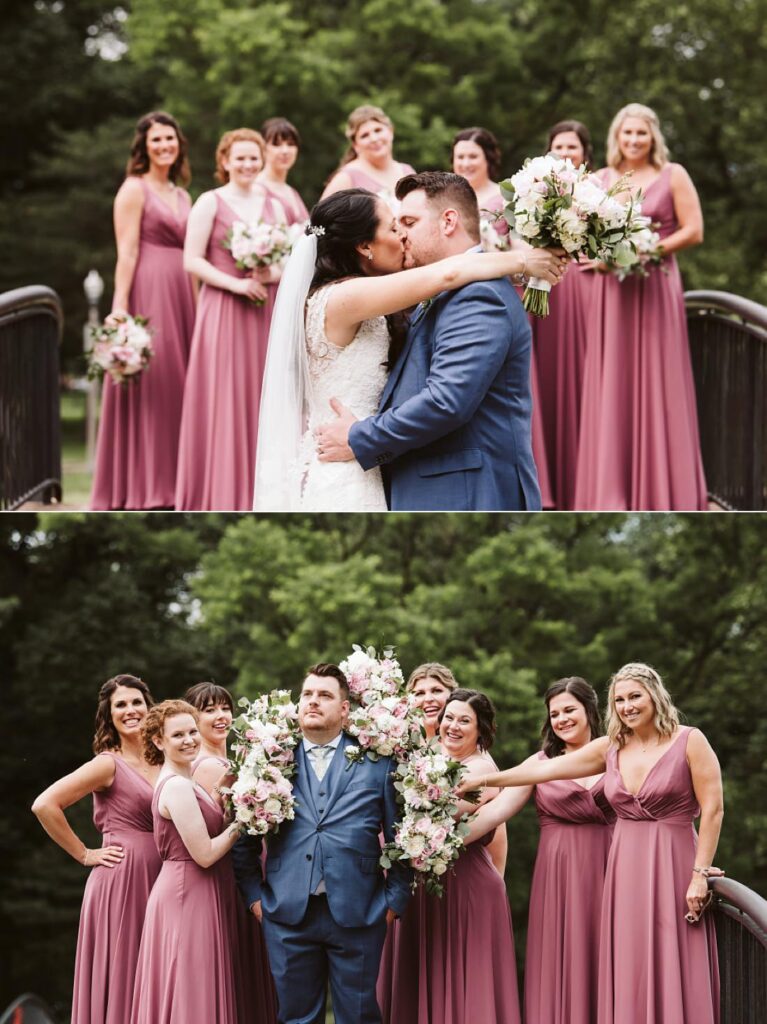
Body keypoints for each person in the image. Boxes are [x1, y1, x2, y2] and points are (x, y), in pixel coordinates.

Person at [253, 184, 564, 510]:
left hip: (372, 461)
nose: (401, 235)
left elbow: (447, 398)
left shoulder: (464, 295)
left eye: (408, 223)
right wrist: (522, 261)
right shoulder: (345, 297)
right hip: (347, 467)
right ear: (364, 246)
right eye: (393, 226)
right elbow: (449, 273)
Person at [459, 662, 723, 1024]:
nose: (628, 706)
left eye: (635, 697)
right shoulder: (612, 747)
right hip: (624, 867)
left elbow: (713, 809)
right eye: (620, 700)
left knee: (673, 948)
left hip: (673, 859)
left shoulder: (690, 740)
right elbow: (544, 770)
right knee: (629, 960)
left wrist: (699, 871)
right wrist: (486, 782)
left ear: (656, 696)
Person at [231, 663, 413, 1024]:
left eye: (325, 695)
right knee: (295, 1017)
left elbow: (400, 837)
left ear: (344, 709)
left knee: (360, 1016)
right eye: (308, 694)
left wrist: (394, 901)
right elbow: (245, 838)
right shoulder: (270, 759)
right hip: (285, 912)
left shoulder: (378, 762)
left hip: (360, 911)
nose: (313, 702)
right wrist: (254, 897)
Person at [574, 103, 708, 510]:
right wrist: (600, 254)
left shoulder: (673, 175)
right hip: (611, 294)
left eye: (641, 134)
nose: (634, 141)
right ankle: (611, 489)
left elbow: (694, 231)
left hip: (655, 287)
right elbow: (583, 233)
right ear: (616, 137)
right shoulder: (599, 179)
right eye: (627, 133)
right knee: (612, 378)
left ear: (653, 138)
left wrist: (640, 251)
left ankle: (665, 487)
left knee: (659, 376)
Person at [377, 669, 512, 1024]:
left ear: (480, 728)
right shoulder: (428, 756)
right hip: (422, 886)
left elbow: (437, 817)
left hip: (466, 890)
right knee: (417, 976)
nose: (452, 726)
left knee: (462, 984)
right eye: (448, 718)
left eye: (463, 720)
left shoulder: (482, 771)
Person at [32, 674, 160, 1024]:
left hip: (166, 875)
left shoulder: (165, 760)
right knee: (126, 972)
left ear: (150, 708)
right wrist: (84, 854)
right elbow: (45, 804)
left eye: (137, 702)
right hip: (123, 880)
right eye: (121, 705)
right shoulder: (107, 764)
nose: (131, 710)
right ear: (109, 715)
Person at [175, 128, 288, 510]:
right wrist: (235, 285)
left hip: (265, 309)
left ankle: (265, 488)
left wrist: (269, 275)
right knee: (226, 395)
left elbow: (287, 259)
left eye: (253, 157)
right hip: (224, 308)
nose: (247, 164)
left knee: (266, 394)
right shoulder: (209, 201)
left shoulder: (274, 204)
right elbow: (191, 260)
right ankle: (223, 489)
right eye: (239, 158)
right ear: (224, 161)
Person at [91, 112, 196, 510]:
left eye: (170, 138)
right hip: (149, 292)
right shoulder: (133, 189)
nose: (164, 145)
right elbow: (128, 251)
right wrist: (120, 308)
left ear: (178, 144)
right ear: (144, 147)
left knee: (181, 384)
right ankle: (146, 486)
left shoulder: (183, 194)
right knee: (156, 381)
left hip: (183, 292)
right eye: (156, 140)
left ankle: (175, 484)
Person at [452, 126, 555, 508]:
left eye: (472, 156)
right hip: (452, 299)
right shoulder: (449, 197)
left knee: (506, 392)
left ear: (487, 159)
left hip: (499, 297)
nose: (464, 163)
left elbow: (522, 250)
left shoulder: (505, 197)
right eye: (459, 156)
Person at [130, 700, 241, 1023]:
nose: (190, 739)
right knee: (190, 987)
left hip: (193, 890)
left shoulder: (185, 780)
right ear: (158, 741)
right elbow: (205, 854)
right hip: (186, 892)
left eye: (193, 731)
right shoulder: (177, 786)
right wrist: (245, 821)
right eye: (178, 735)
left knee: (194, 982)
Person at [184, 681, 278, 1024]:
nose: (221, 716)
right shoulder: (211, 767)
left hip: (244, 869)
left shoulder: (230, 759)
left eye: (224, 708)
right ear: (192, 719)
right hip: (229, 876)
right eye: (209, 710)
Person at [533, 120, 599, 509]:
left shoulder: (597, 192)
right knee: (546, 376)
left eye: (571, 147)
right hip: (545, 287)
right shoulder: (536, 192)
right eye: (558, 146)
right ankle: (548, 481)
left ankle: (583, 478)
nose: (565, 153)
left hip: (585, 288)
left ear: (584, 153)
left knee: (582, 376)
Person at [321, 104, 415, 201]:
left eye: (378, 130)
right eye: (364, 135)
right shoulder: (347, 177)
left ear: (391, 131)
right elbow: (320, 215)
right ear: (355, 145)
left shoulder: (407, 171)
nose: (374, 139)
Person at [257, 117, 310, 226]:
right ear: (263, 148)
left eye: (290, 144)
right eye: (277, 144)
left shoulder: (291, 191)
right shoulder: (257, 189)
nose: (285, 151)